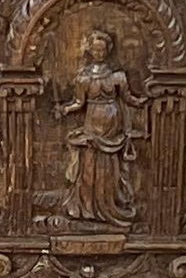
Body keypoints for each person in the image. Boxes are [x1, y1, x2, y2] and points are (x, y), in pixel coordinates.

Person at [56, 29, 145, 226]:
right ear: (89, 50)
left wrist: (140, 102)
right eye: (95, 50)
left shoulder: (118, 76)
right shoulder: (83, 78)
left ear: (108, 50)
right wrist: (64, 109)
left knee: (109, 168)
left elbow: (127, 97)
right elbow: (79, 103)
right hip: (92, 124)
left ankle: (109, 206)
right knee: (89, 166)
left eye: (102, 50)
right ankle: (88, 208)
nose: (99, 53)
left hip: (112, 126)